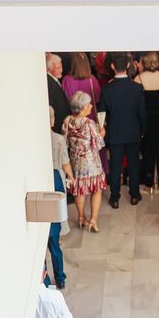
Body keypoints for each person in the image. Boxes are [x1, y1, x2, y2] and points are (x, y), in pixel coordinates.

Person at [99, 52, 147, 209]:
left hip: (115, 133)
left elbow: (102, 114)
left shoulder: (106, 89)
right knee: (133, 164)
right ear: (128, 66)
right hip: (133, 132)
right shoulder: (137, 88)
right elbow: (142, 113)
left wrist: (102, 129)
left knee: (115, 166)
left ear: (112, 67)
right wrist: (142, 130)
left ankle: (114, 198)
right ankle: (134, 195)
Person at [62, 91, 107, 233]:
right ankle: (93, 220)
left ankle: (81, 217)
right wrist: (102, 133)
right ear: (81, 108)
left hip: (75, 163)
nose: (91, 107)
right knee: (96, 190)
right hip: (91, 164)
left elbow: (65, 143)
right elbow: (98, 144)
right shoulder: (89, 124)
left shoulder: (67, 121)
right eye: (88, 105)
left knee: (79, 191)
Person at [134, 52, 159, 188]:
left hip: (145, 119)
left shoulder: (139, 78)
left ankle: (148, 178)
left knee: (147, 149)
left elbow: (135, 102)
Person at [62, 52, 108, 174]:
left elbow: (66, 100)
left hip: (75, 120)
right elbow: (97, 99)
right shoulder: (92, 80)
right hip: (91, 118)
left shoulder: (67, 80)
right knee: (93, 149)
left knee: (77, 151)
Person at [48, 106, 74, 287]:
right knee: (55, 243)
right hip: (56, 181)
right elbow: (65, 163)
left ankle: (45, 280)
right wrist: (71, 177)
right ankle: (60, 278)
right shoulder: (58, 139)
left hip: (44, 184)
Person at [46, 53, 72, 134]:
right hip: (57, 127)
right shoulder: (49, 83)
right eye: (58, 68)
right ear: (49, 69)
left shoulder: (54, 79)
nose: (61, 70)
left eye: (61, 66)